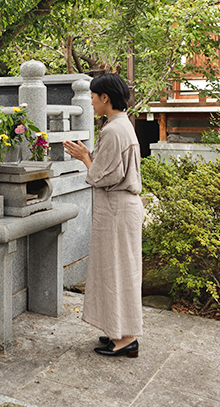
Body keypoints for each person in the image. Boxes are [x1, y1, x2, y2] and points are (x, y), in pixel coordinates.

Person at [63, 73, 143, 358]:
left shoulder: (113, 130)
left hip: (117, 210)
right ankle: (118, 330)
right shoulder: (122, 125)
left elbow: (100, 175)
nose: (93, 104)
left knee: (116, 272)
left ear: (105, 97)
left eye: (94, 98)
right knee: (119, 271)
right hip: (121, 208)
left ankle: (126, 338)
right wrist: (87, 154)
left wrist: (85, 158)